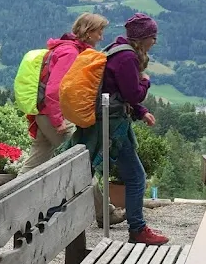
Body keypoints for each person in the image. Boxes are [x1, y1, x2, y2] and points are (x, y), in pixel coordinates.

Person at [19, 13, 126, 227]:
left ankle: (9, 209)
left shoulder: (65, 48)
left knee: (32, 167)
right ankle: (105, 214)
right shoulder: (69, 52)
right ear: (88, 32)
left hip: (44, 115)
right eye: (99, 32)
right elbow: (54, 89)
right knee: (81, 164)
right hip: (54, 117)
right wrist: (59, 120)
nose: (101, 37)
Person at [74, 13, 169, 245]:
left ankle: (135, 227)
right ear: (143, 37)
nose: (154, 41)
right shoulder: (127, 58)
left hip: (105, 118)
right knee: (136, 177)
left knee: (87, 170)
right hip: (112, 124)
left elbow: (117, 92)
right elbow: (131, 93)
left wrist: (140, 111)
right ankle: (137, 229)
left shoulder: (116, 50)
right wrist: (145, 80)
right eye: (152, 37)